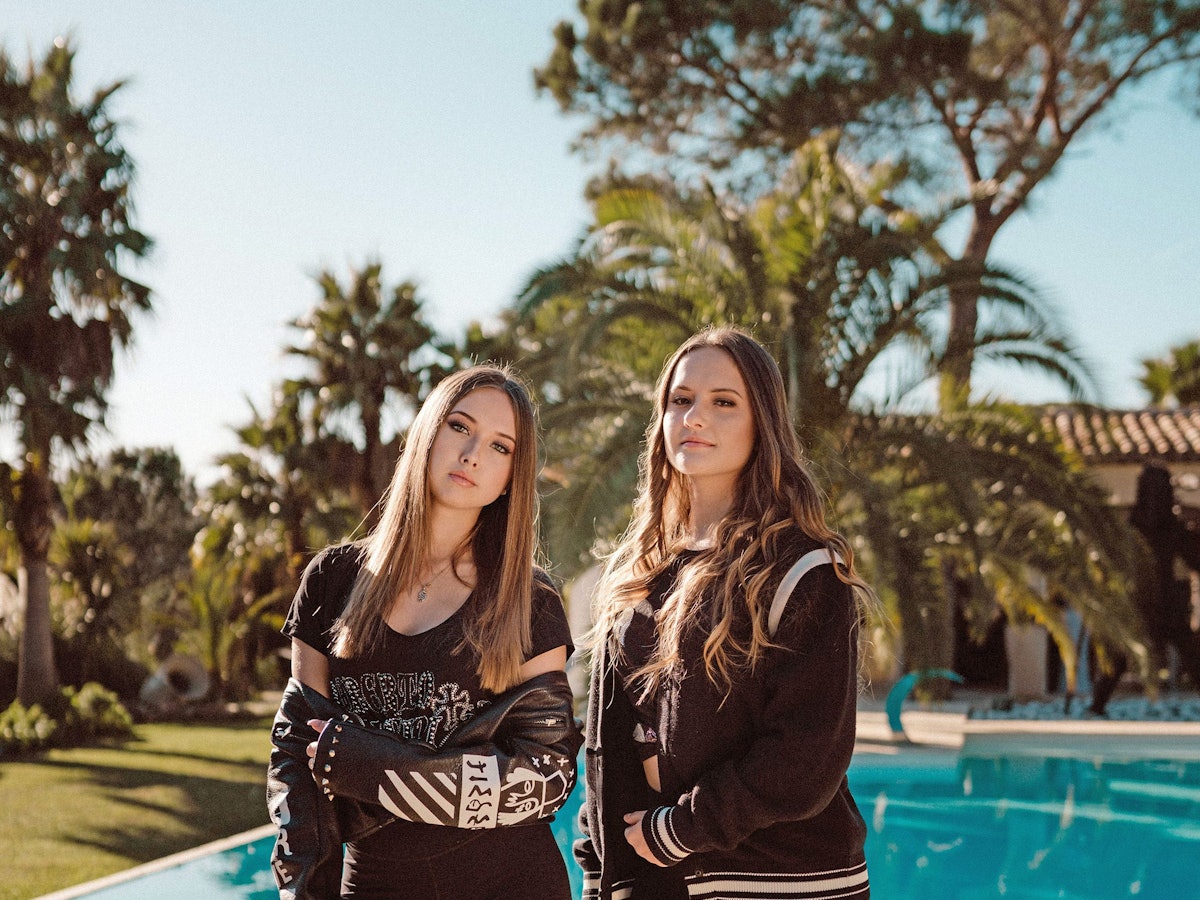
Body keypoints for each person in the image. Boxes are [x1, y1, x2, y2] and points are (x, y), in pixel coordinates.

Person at [575, 326, 875, 899]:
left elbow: (808, 759)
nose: (694, 417)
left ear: (762, 423)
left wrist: (681, 829)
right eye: (681, 399)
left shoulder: (803, 569)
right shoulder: (641, 570)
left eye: (724, 403)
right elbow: (606, 742)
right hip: (657, 877)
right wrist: (600, 866)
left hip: (782, 880)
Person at [267, 365, 582, 900]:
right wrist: (304, 890)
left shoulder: (528, 599)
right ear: (427, 433)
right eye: (460, 427)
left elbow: (545, 778)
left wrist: (371, 767)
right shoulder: (332, 580)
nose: (473, 454)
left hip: (508, 881)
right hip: (375, 882)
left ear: (512, 474)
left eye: (500, 447)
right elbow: (297, 758)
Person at [1090, 462, 1200, 716]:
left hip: (1149, 603)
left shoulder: (1136, 527)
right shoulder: (1168, 528)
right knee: (1190, 656)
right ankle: (1097, 704)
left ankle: (1097, 705)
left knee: (1125, 656)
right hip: (1160, 604)